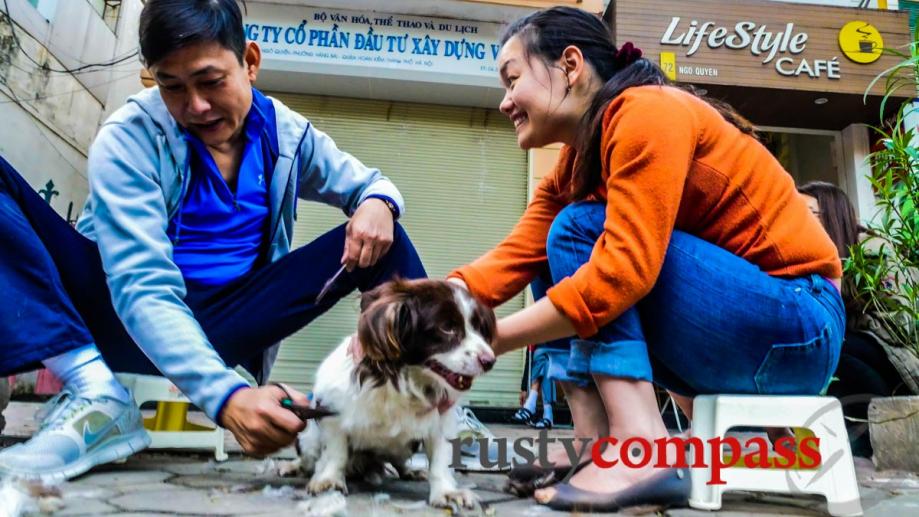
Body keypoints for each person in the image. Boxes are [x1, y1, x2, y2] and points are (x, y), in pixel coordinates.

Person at [0, 0, 425, 481]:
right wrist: (227, 397)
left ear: (250, 62)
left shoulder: (286, 135)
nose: (195, 106)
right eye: (171, 85)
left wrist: (376, 203)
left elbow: (372, 183)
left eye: (210, 80)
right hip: (113, 315)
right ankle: (96, 395)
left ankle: (425, 410)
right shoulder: (129, 139)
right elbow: (141, 286)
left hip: (227, 322)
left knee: (385, 237)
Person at [446, 7, 845, 512]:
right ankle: (595, 440)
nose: (505, 102)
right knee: (556, 241)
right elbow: (510, 259)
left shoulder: (645, 112)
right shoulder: (576, 164)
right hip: (750, 333)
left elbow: (623, 271)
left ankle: (642, 445)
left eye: (513, 79)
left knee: (579, 231)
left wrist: (489, 343)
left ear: (570, 65)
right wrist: (418, 317)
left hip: (798, 327)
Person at [797, 181, 905, 457]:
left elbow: (897, 321)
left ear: (832, 215)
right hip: (849, 347)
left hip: (887, 349)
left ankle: (863, 442)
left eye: (808, 212)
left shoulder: (871, 252)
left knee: (837, 352)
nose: (797, 217)